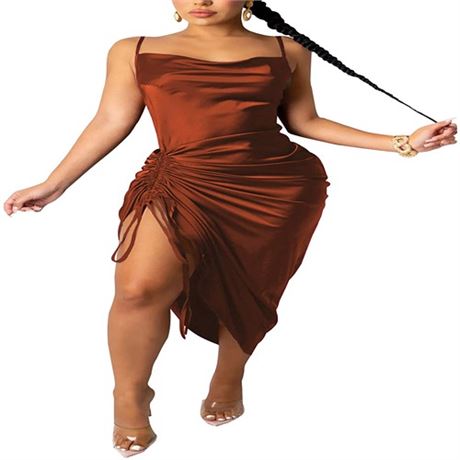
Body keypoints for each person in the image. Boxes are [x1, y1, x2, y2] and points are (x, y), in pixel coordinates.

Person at [3, 0, 457, 457]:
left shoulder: (287, 50)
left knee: (248, 286)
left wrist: (403, 142)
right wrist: (54, 183)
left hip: (273, 189)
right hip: (181, 180)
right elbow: (110, 120)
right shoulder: (133, 49)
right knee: (137, 289)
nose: (201, 1)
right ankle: (130, 394)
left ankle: (229, 374)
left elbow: (304, 121)